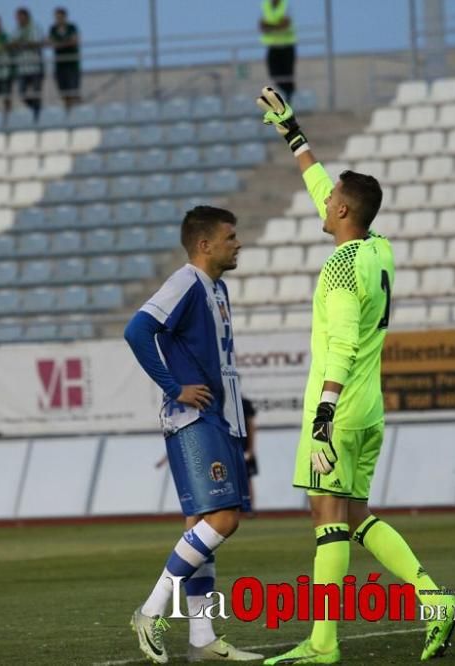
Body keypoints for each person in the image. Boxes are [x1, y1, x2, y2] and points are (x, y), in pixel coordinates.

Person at [256, 87, 455, 664]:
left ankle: (323, 645)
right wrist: (294, 136)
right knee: (354, 512)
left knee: (327, 518)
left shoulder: (342, 266)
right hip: (371, 406)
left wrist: (321, 417)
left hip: (340, 410)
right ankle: (432, 596)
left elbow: (343, 344)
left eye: (330, 204)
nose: (323, 207)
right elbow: (331, 192)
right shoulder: (379, 249)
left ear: (344, 213)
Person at [123, 206, 262, 664]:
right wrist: (174, 387)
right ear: (205, 244)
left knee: (200, 527)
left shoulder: (217, 288)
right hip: (191, 419)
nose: (237, 243)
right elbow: (138, 330)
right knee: (224, 520)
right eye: (230, 236)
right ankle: (150, 610)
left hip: (217, 419)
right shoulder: (185, 281)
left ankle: (201, 638)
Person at [11, 7, 46, 119]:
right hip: (22, 68)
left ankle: (38, 115)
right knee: (22, 93)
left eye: (21, 16)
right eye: (17, 17)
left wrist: (23, 43)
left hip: (35, 66)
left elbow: (38, 43)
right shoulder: (16, 31)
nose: (19, 19)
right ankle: (37, 110)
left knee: (36, 93)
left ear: (27, 17)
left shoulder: (35, 28)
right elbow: (12, 45)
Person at [260, 0, 297, 98]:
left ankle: (290, 97)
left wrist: (270, 26)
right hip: (273, 47)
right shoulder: (266, 5)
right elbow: (262, 26)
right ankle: (289, 94)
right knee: (274, 74)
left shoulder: (286, 5)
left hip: (287, 46)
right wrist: (276, 25)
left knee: (287, 75)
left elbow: (285, 24)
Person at [49, 6, 81, 108]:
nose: (58, 19)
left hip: (72, 64)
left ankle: (74, 110)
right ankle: (68, 110)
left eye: (60, 17)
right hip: (59, 65)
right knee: (63, 92)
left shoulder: (72, 27)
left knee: (72, 90)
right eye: (57, 17)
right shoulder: (53, 29)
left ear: (65, 17)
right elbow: (52, 43)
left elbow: (75, 41)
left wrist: (60, 44)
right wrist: (66, 43)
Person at [241, 396, 259, 513]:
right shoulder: (222, 401)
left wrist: (251, 448)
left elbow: (251, 426)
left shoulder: (245, 403)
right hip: (230, 447)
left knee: (247, 477)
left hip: (244, 446)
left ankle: (249, 508)